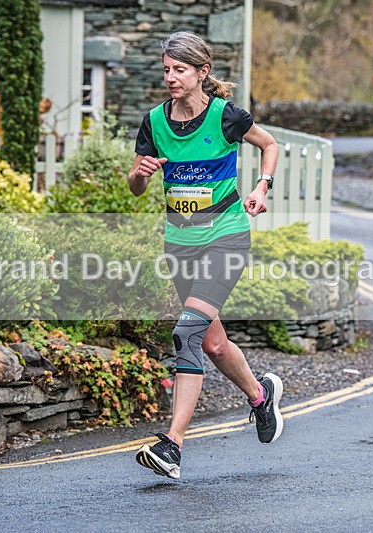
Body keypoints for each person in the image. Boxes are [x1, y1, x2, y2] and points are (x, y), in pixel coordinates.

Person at [127, 31, 283, 480]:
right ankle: (260, 395)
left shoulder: (225, 117)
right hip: (180, 243)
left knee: (186, 334)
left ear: (202, 73)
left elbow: (269, 145)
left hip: (226, 237)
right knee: (212, 343)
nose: (171, 78)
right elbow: (138, 187)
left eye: (180, 70)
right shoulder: (154, 122)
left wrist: (261, 186)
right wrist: (139, 174)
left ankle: (172, 445)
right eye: (166, 70)